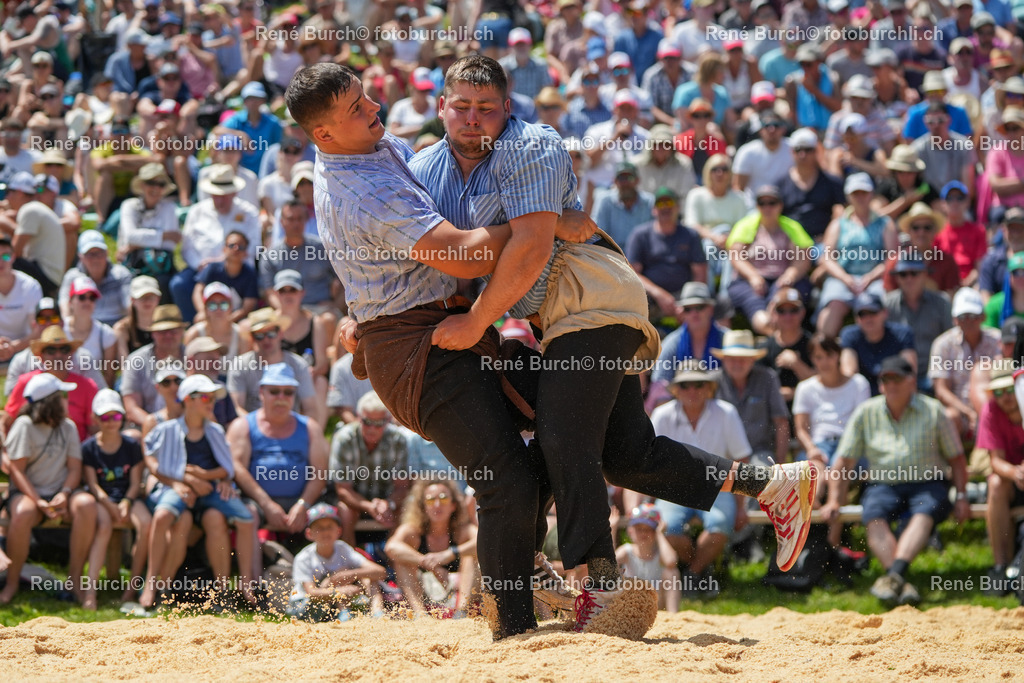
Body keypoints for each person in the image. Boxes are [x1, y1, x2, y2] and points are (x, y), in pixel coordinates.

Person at [288, 61, 815, 639]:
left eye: (486, 106)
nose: (375, 110)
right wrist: (366, 312)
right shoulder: (410, 168)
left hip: (587, 302)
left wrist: (478, 304)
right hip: (463, 333)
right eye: (459, 105)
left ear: (508, 107)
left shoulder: (508, 144)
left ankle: (587, 588)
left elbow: (511, 253)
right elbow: (463, 255)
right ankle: (767, 485)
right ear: (439, 107)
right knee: (618, 450)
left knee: (558, 445)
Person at [823, 355, 968, 606]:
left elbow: (956, 458)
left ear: (912, 381)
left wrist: (963, 496)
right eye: (885, 379)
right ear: (879, 384)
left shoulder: (933, 410)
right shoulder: (866, 412)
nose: (890, 384)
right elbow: (843, 462)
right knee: (873, 516)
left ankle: (893, 577)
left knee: (924, 512)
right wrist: (835, 499)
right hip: (882, 484)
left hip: (928, 482)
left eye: (896, 378)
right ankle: (900, 580)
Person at [141, 373, 258, 607]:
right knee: (164, 515)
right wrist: (186, 479)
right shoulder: (167, 430)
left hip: (209, 491)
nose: (212, 402)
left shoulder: (214, 430)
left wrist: (204, 476)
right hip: (180, 489)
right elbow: (153, 462)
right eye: (206, 397)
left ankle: (240, 587)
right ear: (188, 400)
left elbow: (226, 469)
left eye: (213, 398)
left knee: (246, 519)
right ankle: (151, 584)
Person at [651, 362, 752, 597]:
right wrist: (640, 505)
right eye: (685, 385)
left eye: (699, 384)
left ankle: (692, 574)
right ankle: (701, 574)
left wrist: (741, 507)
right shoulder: (661, 415)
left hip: (719, 489)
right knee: (668, 528)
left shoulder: (726, 413)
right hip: (672, 490)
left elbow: (742, 460)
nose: (692, 390)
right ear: (676, 389)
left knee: (719, 527)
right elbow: (648, 462)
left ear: (709, 388)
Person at [0, 373, 98, 608]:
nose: (67, 399)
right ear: (50, 401)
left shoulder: (69, 426)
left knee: (86, 504)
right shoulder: (24, 426)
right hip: (28, 495)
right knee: (23, 512)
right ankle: (12, 583)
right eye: (63, 395)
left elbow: (75, 468)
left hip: (61, 492)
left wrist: (64, 494)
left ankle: (75, 581)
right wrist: (39, 501)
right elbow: (17, 471)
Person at [228, 363, 328, 577]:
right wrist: (266, 503)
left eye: (288, 392)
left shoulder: (310, 427)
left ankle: (328, 585)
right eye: (274, 391)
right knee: (249, 514)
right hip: (258, 502)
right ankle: (255, 586)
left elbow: (320, 472)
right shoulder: (243, 426)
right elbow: (237, 468)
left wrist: (303, 504)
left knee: (327, 516)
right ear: (262, 393)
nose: (281, 397)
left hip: (301, 501)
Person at [792, 333, 871, 546]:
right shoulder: (806, 388)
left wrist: (844, 453)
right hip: (819, 445)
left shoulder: (858, 383)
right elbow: (800, 428)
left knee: (839, 470)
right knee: (816, 472)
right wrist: (811, 448)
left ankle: (830, 541)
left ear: (837, 355)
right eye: (818, 357)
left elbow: (863, 425)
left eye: (827, 355)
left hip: (851, 445)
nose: (823, 362)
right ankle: (821, 539)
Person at [81, 389, 150, 603]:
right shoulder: (89, 447)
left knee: (147, 525)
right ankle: (90, 593)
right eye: (105, 417)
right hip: (102, 499)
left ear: (123, 417)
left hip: (128, 497)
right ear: (95, 418)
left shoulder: (131, 445)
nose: (111, 422)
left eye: (116, 416)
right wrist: (110, 505)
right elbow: (92, 484)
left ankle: (132, 588)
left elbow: (135, 481)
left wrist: (127, 502)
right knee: (103, 527)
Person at [816, 173, 900, 337]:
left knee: (881, 305)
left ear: (871, 194)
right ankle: (824, 350)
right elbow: (827, 258)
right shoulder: (838, 224)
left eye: (864, 192)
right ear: (849, 196)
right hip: (842, 279)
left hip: (876, 279)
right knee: (833, 306)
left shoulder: (885, 223)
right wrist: (846, 278)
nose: (860, 197)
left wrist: (871, 276)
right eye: (856, 193)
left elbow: (892, 257)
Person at [725, 185, 814, 335]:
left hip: (784, 280)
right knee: (757, 308)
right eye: (762, 203)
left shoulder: (791, 227)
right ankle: (775, 338)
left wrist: (790, 275)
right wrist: (753, 276)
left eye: (772, 203)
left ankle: (788, 338)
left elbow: (803, 259)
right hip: (750, 281)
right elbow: (736, 256)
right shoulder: (746, 225)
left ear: (780, 205)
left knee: (787, 302)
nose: (767, 207)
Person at [385, 479, 480, 618]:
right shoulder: (414, 532)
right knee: (401, 560)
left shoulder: (462, 531)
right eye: (430, 500)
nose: (437, 505)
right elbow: (391, 547)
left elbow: (483, 541)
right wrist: (428, 563)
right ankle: (420, 615)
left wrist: (451, 554)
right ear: (423, 507)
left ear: (453, 505)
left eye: (443, 498)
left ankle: (462, 613)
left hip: (458, 593)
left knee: (472, 555)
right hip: (424, 593)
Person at [288, 502, 386, 622]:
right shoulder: (303, 557)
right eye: (319, 528)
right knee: (338, 575)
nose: (325, 532)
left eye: (329, 526)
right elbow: (311, 593)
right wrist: (340, 591)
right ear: (309, 533)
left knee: (366, 576)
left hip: (332, 601)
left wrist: (350, 575)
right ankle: (345, 614)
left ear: (338, 531)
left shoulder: (342, 548)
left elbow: (380, 572)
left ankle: (378, 613)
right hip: (305, 605)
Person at [626, 187, 707, 324]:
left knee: (720, 305)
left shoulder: (690, 235)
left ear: (678, 208)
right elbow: (632, 273)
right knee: (629, 300)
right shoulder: (640, 235)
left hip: (684, 295)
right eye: (660, 204)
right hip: (650, 295)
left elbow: (700, 274)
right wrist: (658, 294)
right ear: (653, 209)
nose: (665, 208)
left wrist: (689, 301)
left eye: (669, 203)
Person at [4, 326, 99, 442]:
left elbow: (95, 428)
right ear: (41, 356)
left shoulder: (87, 386)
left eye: (64, 349)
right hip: (33, 453)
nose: (58, 355)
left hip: (74, 451)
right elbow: (7, 421)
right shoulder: (25, 383)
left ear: (71, 354)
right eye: (51, 350)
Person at [227, 307, 320, 424]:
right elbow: (236, 408)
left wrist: (297, 432)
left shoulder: (298, 364)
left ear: (280, 333)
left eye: (271, 333)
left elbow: (310, 409)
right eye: (259, 336)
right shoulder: (240, 365)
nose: (266, 340)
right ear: (252, 338)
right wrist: (259, 428)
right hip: (253, 431)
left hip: (289, 428)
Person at [929, 287, 1001, 437]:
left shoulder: (997, 340)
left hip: (994, 408)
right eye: (963, 317)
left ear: (983, 317)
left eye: (973, 316)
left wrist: (983, 412)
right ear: (955, 320)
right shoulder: (942, 344)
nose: (968, 321)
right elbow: (941, 390)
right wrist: (968, 412)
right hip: (959, 411)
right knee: (950, 417)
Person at [977, 366, 1024, 592]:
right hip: (1014, 482)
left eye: (1008, 390)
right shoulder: (991, 410)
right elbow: (996, 461)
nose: (1004, 397)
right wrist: (1017, 473)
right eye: (997, 392)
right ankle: (1000, 567)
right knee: (995, 484)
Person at [883, 258, 953, 391]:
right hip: (899, 376)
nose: (909, 278)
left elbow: (950, 341)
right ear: (897, 278)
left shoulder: (942, 302)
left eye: (914, 273)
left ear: (925, 275)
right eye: (903, 274)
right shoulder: (887, 305)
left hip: (936, 373)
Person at [116, 162, 180, 295]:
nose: (156, 188)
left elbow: (170, 244)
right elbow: (130, 236)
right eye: (151, 183)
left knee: (165, 282)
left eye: (161, 184)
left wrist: (132, 246)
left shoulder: (170, 208)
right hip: (131, 264)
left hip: (160, 267)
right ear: (142, 185)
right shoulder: (129, 206)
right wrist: (163, 235)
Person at [615, 503, 680, 611]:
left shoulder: (661, 553)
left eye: (648, 529)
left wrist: (660, 533)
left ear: (655, 532)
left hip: (656, 605)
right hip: (631, 605)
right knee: (613, 572)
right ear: (631, 531)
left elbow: (671, 562)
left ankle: (673, 616)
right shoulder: (627, 551)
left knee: (672, 573)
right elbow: (608, 563)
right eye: (639, 529)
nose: (643, 533)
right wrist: (612, 529)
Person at [757, 287, 815, 405]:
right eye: (781, 311)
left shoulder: (813, 345)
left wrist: (797, 365)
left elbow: (825, 384)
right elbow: (756, 387)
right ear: (773, 313)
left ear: (802, 312)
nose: (787, 316)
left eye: (793, 310)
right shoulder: (763, 348)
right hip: (772, 413)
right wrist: (776, 393)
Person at [63, 276, 119, 389]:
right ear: (70, 302)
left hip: (94, 393)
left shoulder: (106, 334)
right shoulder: (59, 329)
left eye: (92, 298)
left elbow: (109, 376)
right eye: (82, 297)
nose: (87, 302)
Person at [0, 234, 42, 366]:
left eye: (5, 256)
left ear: (13, 257)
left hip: (26, 349)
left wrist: (13, 347)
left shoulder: (30, 286)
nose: (0, 262)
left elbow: (37, 329)